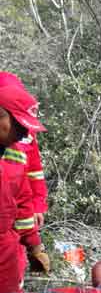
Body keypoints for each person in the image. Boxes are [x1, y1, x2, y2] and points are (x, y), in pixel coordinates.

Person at [0, 72, 50, 281]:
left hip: (6, 252)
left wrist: (34, 245)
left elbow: (22, 200)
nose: (25, 134)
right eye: (20, 126)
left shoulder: (14, 153)